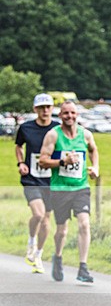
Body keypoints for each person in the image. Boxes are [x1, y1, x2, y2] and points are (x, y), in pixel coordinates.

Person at [38, 101, 99, 283]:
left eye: (72, 113)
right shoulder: (53, 135)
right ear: (60, 116)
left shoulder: (85, 134)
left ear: (77, 115)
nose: (69, 116)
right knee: (62, 231)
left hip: (81, 187)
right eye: (66, 113)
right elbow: (42, 161)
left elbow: (93, 150)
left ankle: (83, 267)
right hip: (60, 189)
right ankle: (57, 257)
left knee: (84, 224)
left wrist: (95, 167)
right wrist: (62, 162)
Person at [14, 93, 59, 273]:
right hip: (31, 178)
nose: (45, 111)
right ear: (35, 109)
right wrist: (21, 163)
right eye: (41, 108)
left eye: (48, 107)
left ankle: (38, 255)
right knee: (38, 214)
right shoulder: (26, 128)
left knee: (47, 219)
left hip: (51, 179)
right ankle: (31, 241)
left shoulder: (58, 128)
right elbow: (18, 146)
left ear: (52, 108)